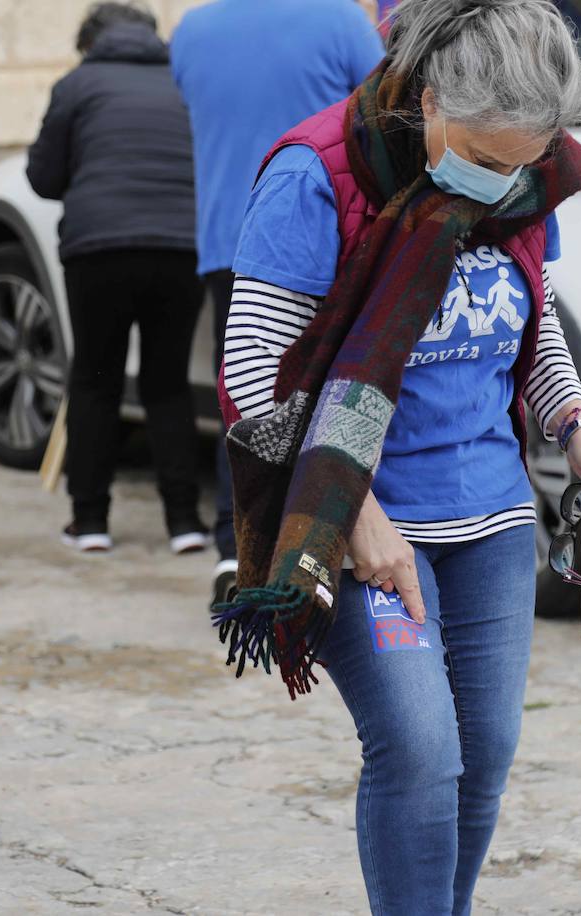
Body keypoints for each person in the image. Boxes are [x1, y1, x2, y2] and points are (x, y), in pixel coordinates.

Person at [213, 1, 581, 912]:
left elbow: (532, 319)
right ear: (433, 97)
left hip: (491, 515)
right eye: (485, 160)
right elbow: (252, 372)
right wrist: (356, 517)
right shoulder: (316, 176)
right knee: (418, 749)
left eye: (521, 165)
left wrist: (577, 426)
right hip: (364, 522)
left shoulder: (527, 178)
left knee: (484, 757)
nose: (503, 185)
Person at [170, 0, 385, 602]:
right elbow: (390, 112)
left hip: (228, 237)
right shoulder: (341, 21)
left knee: (243, 388)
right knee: (336, 389)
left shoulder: (191, 30)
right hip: (324, 238)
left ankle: (237, 544)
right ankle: (334, 541)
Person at [26, 2, 208, 555]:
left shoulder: (76, 85)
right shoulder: (185, 82)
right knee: (167, 382)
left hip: (98, 251)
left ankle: (90, 522)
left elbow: (43, 177)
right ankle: (184, 523)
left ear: (89, 42)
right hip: (180, 247)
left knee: (95, 378)